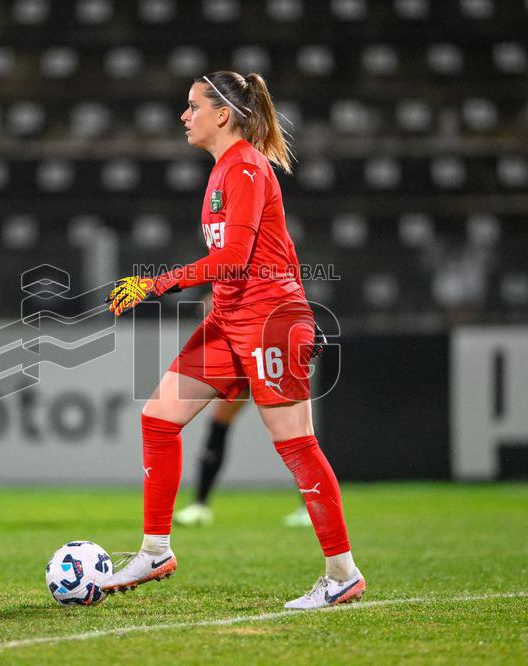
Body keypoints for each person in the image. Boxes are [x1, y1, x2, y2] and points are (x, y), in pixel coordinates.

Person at [99, 72, 364, 609]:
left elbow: (235, 259)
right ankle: (155, 549)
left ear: (222, 114)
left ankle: (342, 574)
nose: (183, 115)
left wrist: (156, 282)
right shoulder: (225, 168)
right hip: (229, 316)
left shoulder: (244, 166)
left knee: (295, 444)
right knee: (158, 418)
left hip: (270, 318)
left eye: (191, 106)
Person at [173, 394, 313, 528]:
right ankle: (199, 505)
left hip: (269, 372)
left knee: (291, 428)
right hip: (244, 372)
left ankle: (311, 508)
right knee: (219, 419)